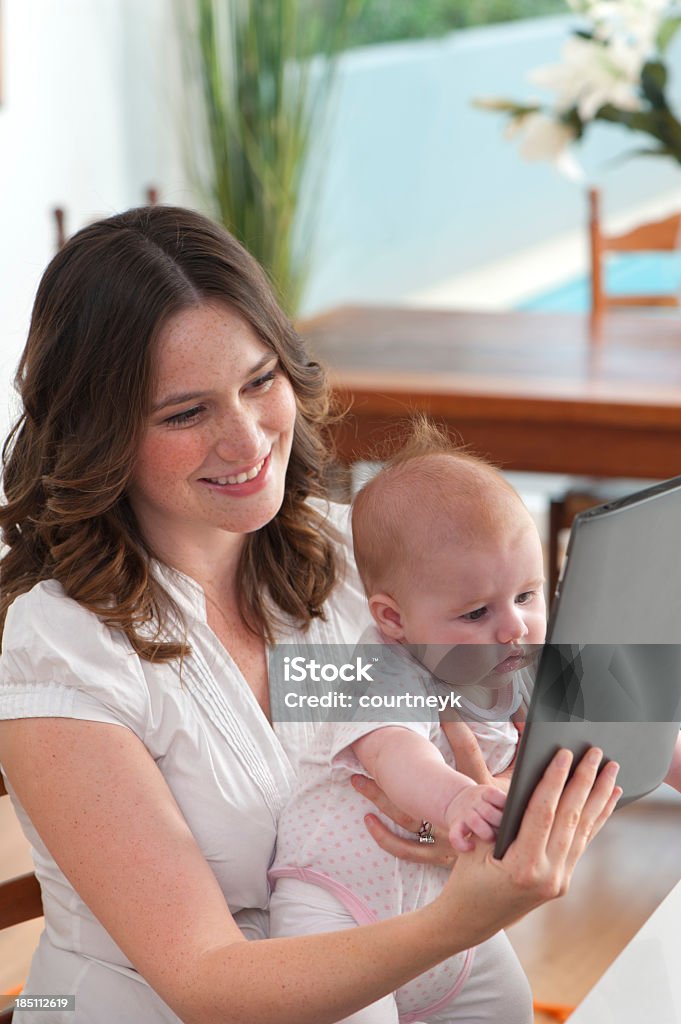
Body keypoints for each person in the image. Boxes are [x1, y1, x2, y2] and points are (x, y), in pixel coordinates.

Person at [0, 205, 621, 1024]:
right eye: (186, 414)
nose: (247, 437)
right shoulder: (61, 647)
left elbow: (508, 696)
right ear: (98, 434)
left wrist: (477, 802)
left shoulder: (353, 554)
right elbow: (205, 980)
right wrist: (458, 916)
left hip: (405, 979)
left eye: (260, 381)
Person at [269, 428, 547, 1023]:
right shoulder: (382, 669)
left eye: (526, 595)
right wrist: (460, 802)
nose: (513, 627)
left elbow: (624, 712)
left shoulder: (510, 654)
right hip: (336, 910)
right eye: (477, 612)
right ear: (395, 619)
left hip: (444, 913)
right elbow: (399, 759)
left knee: (509, 1006)